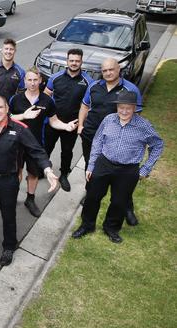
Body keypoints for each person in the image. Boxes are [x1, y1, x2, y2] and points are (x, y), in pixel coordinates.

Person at [0, 97, 58, 266]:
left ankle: (9, 246)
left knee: (8, 214)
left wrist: (47, 169)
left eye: (0, 107)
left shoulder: (20, 129)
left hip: (8, 181)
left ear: (7, 107)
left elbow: (37, 151)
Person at [72, 91, 163, 243]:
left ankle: (111, 228)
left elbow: (158, 144)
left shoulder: (144, 126)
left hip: (128, 170)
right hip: (104, 163)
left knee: (119, 201)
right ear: (117, 107)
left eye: (128, 108)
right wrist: (92, 165)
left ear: (134, 108)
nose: (124, 111)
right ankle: (87, 225)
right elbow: (98, 141)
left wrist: (146, 169)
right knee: (92, 197)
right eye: (121, 107)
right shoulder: (108, 120)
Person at [78, 57, 142, 225]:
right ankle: (91, 193)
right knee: (90, 167)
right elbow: (85, 105)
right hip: (91, 135)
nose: (107, 73)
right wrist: (81, 126)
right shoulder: (94, 86)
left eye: (111, 70)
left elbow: (136, 116)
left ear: (118, 70)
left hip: (114, 139)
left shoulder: (130, 89)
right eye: (104, 70)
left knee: (121, 176)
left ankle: (127, 207)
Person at [9, 67, 76, 217]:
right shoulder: (16, 99)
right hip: (16, 143)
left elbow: (54, 121)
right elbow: (7, 118)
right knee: (16, 172)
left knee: (33, 173)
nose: (32, 83)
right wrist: (24, 116)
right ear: (24, 81)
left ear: (40, 81)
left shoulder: (47, 100)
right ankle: (11, 198)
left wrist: (66, 126)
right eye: (29, 80)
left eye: (35, 80)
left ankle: (30, 199)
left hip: (36, 144)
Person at [43, 48, 94, 192]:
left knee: (67, 151)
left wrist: (81, 124)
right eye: (71, 60)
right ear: (67, 61)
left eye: (77, 61)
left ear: (81, 62)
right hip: (53, 122)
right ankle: (43, 169)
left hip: (71, 125)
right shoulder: (55, 78)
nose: (74, 63)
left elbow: (89, 104)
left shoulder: (88, 81)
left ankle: (64, 174)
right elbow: (46, 95)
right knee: (46, 148)